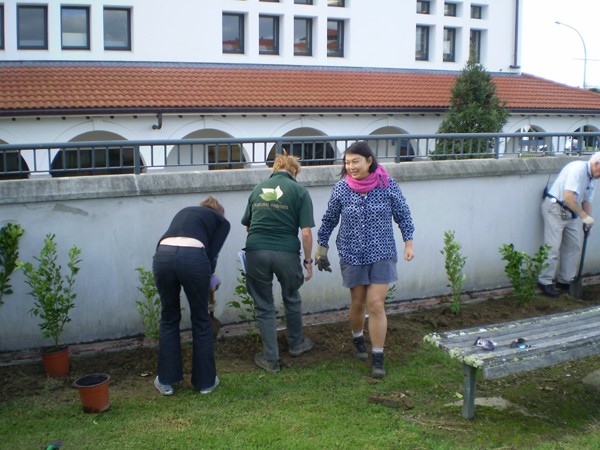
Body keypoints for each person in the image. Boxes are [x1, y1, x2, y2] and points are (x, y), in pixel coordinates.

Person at [315, 141, 415, 378]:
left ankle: (378, 356)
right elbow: (329, 219)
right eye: (347, 162)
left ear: (369, 161)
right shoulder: (341, 189)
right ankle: (357, 337)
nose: (350, 166)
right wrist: (321, 248)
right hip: (351, 253)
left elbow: (403, 214)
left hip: (382, 252)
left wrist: (408, 243)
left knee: (376, 304)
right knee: (358, 302)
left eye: (355, 162)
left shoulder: (388, 185)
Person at [241, 152, 315, 373]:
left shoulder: (257, 189)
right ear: (294, 171)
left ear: (274, 168)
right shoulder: (300, 191)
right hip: (286, 253)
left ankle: (270, 359)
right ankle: (296, 344)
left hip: (256, 252)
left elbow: (248, 225)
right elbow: (307, 233)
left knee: (264, 305)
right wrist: (308, 261)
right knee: (291, 297)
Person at [152, 196, 231, 395]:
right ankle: (205, 383)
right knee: (201, 319)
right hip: (194, 259)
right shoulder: (221, 221)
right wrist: (210, 275)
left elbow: (165, 240)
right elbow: (212, 253)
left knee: (169, 317)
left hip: (163, 256)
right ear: (219, 212)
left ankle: (166, 382)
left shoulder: (185, 211)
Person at [538, 152, 600, 297]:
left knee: (573, 246)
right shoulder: (577, 169)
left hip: (570, 213)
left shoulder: (593, 178)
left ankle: (564, 280)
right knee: (552, 247)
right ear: (597, 164)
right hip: (555, 209)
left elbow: (587, 200)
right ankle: (544, 281)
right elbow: (568, 197)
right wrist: (583, 216)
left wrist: (587, 222)